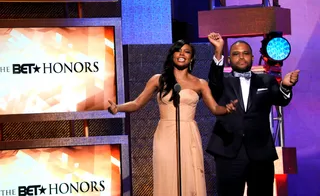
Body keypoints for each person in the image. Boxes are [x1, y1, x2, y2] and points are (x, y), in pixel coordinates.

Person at [108, 39, 237, 196]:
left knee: (189, 176)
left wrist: (227, 109)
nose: (182, 54)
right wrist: (118, 108)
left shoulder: (200, 83)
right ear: (172, 55)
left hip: (188, 133)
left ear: (191, 59)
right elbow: (136, 103)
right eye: (178, 50)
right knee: (167, 174)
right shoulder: (158, 79)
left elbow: (215, 109)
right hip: (165, 134)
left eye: (187, 51)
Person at [206, 32, 300, 196]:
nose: (241, 57)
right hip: (228, 151)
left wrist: (286, 86)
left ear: (252, 56)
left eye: (245, 53)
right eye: (236, 54)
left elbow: (282, 100)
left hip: (260, 152)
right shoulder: (222, 82)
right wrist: (218, 50)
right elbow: (214, 81)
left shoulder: (266, 80)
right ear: (229, 59)